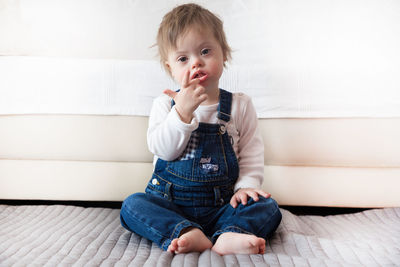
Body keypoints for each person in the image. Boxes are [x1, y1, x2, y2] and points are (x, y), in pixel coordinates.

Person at [120, 3, 282, 255]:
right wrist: (181, 113)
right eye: (183, 58)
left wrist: (246, 187)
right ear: (170, 68)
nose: (196, 63)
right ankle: (184, 231)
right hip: (170, 203)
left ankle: (230, 233)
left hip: (223, 205)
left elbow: (251, 152)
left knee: (268, 206)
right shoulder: (165, 105)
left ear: (223, 54)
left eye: (205, 51)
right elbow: (163, 150)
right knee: (132, 205)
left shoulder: (239, 105)